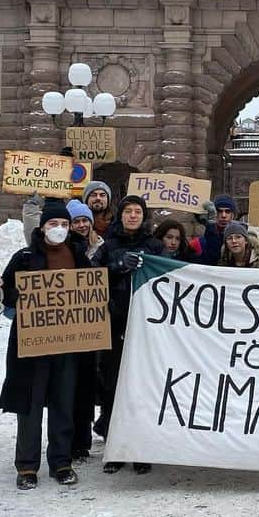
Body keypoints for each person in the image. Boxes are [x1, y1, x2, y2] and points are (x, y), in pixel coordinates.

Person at [0, 200, 89, 490]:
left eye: (64, 224)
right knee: (30, 406)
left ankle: (61, 463)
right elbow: (7, 294)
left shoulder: (78, 254)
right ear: (42, 228)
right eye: (53, 224)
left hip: (68, 343)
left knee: (64, 404)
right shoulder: (24, 257)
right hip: (32, 345)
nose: (59, 229)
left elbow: (92, 290)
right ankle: (27, 467)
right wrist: (7, 291)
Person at [95, 194, 166, 474]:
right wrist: (117, 267)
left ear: (143, 216)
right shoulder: (107, 246)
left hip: (147, 329)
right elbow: (92, 278)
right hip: (114, 324)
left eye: (138, 211)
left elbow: (170, 279)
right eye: (128, 211)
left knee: (142, 388)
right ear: (121, 215)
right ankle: (116, 449)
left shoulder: (155, 246)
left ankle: (141, 449)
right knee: (113, 388)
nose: (133, 216)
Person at [65, 198, 104, 461]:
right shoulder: (61, 249)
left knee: (88, 388)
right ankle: (68, 442)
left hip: (93, 326)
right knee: (67, 389)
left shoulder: (101, 248)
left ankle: (83, 442)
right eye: (76, 221)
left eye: (84, 220)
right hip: (66, 329)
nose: (80, 225)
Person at [197, 194, 237, 266]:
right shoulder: (200, 242)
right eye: (219, 211)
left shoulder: (241, 240)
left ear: (233, 215)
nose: (223, 215)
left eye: (227, 211)